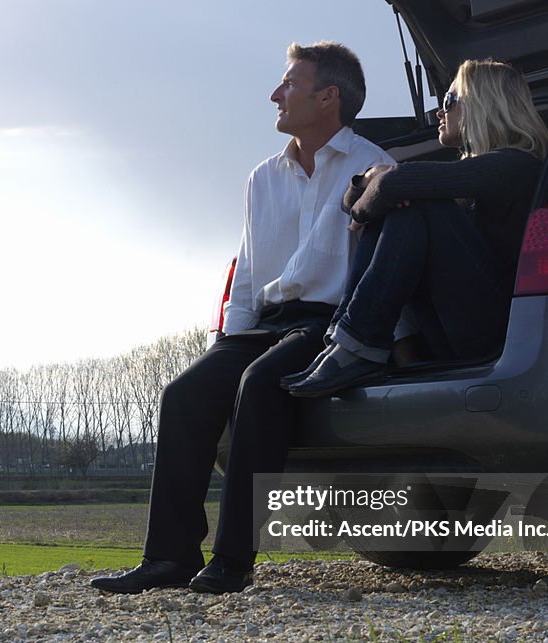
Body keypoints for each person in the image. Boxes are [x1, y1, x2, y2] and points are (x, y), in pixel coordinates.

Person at [90, 41, 393, 595]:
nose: (275, 94)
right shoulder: (262, 177)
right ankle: (168, 559)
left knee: (260, 385)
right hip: (265, 322)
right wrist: (224, 348)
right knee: (184, 394)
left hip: (329, 322)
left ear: (328, 97)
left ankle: (232, 562)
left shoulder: (375, 167)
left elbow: (379, 271)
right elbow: (249, 270)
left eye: (289, 84)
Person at [284, 58, 548, 397]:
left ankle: (356, 346)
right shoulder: (480, 173)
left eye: (449, 101)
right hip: (450, 330)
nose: (438, 113)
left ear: (483, 104)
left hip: (494, 339)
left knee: (419, 202)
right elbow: (352, 202)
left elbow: (396, 185)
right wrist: (369, 179)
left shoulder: (517, 165)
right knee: (408, 203)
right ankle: (346, 342)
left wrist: (380, 187)